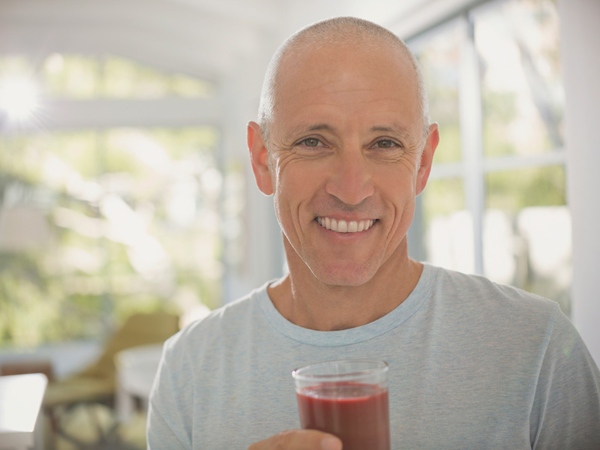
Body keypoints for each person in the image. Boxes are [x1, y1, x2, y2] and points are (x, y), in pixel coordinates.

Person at [147, 17, 600, 449]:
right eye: (313, 142)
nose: (350, 188)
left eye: (384, 144)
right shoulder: (190, 370)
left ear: (422, 163)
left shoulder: (536, 348)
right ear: (263, 160)